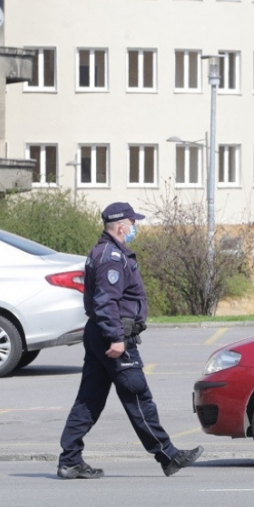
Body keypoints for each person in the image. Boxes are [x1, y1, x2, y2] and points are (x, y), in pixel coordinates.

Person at [57, 202, 203, 479]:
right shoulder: (112, 257)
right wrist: (116, 337)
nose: (135, 227)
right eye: (133, 223)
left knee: (89, 400)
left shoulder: (104, 252)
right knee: (138, 395)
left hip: (101, 333)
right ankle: (168, 455)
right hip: (113, 336)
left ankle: (70, 460)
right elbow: (106, 301)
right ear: (121, 226)